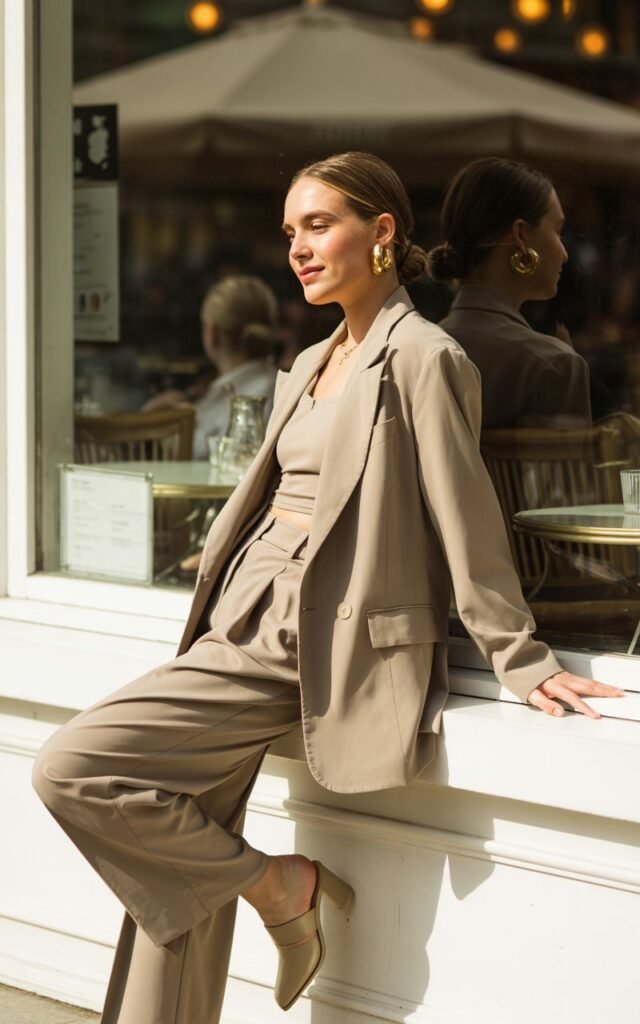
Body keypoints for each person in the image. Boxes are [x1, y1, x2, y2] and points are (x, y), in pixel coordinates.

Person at [32, 152, 623, 1024]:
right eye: (289, 233)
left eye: (318, 226)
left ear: (383, 233)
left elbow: (466, 515)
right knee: (177, 863)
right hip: (239, 618)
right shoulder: (311, 359)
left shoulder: (425, 356)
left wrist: (522, 658)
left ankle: (283, 887)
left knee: (72, 766)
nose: (298, 250)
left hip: (309, 642)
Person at [429, 157, 593, 430]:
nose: (564, 254)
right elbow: (566, 474)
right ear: (521, 235)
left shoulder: (416, 350)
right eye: (558, 230)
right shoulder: (551, 365)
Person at [144, 274, 279, 459]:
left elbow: (213, 460)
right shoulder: (272, 386)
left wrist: (160, 424)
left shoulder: (253, 397)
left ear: (211, 332)